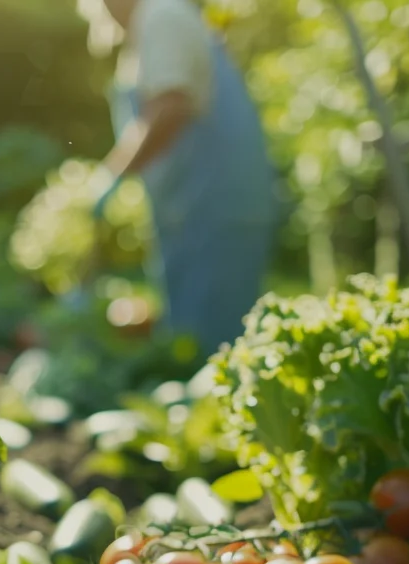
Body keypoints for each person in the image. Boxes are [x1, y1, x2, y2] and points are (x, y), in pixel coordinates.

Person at [90, 0, 281, 356]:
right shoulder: (151, 25)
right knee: (192, 339)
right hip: (193, 209)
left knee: (213, 348)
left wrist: (114, 173)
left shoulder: (162, 15)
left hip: (214, 205)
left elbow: (170, 105)